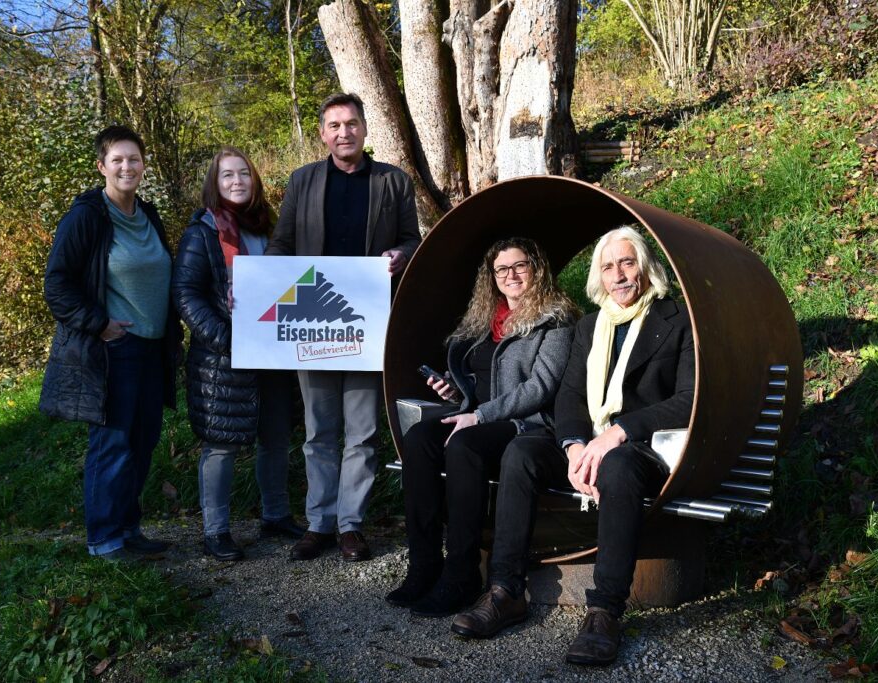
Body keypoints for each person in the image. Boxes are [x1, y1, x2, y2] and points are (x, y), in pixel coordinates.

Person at [450, 227, 695, 666]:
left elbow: (688, 399)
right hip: (590, 442)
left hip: (643, 446)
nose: (618, 275)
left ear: (646, 267)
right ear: (598, 276)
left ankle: (604, 612)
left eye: (627, 262)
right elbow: (569, 396)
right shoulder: (590, 326)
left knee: (618, 467)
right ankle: (505, 590)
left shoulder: (676, 320)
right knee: (521, 453)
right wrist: (574, 445)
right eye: (608, 266)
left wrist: (617, 432)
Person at [265, 92, 421, 562]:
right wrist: (261, 286)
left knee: (361, 432)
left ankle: (351, 525)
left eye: (351, 123)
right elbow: (282, 243)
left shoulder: (393, 182)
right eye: (334, 125)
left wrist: (402, 254)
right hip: (313, 323)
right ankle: (319, 523)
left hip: (367, 324)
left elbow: (412, 239)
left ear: (365, 128)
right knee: (318, 431)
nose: (343, 132)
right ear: (322, 133)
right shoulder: (303, 181)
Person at [386, 238, 578, 617]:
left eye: (519, 266)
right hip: (477, 415)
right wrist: (454, 389)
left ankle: (462, 573)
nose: (511, 276)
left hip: (527, 423)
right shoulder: (484, 320)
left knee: (464, 445)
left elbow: (541, 387)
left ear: (536, 269)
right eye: (501, 270)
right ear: (491, 278)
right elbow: (476, 381)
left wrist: (480, 415)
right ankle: (424, 565)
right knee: (420, 438)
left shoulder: (556, 319)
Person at [40, 125, 180, 560]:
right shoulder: (86, 216)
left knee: (143, 441)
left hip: (154, 349)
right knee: (113, 443)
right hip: (115, 349)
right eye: (117, 160)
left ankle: (127, 528)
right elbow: (57, 284)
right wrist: (99, 324)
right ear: (102, 166)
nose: (127, 166)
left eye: (134, 159)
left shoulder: (148, 214)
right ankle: (104, 539)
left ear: (144, 165)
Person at [172, 147, 305, 562]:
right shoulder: (202, 233)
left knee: (276, 438)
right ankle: (216, 530)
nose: (236, 181)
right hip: (222, 357)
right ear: (215, 182)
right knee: (222, 445)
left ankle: (276, 515)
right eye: (227, 175)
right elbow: (187, 295)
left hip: (273, 351)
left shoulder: (272, 229)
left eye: (243, 174)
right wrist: (223, 337)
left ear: (254, 180)